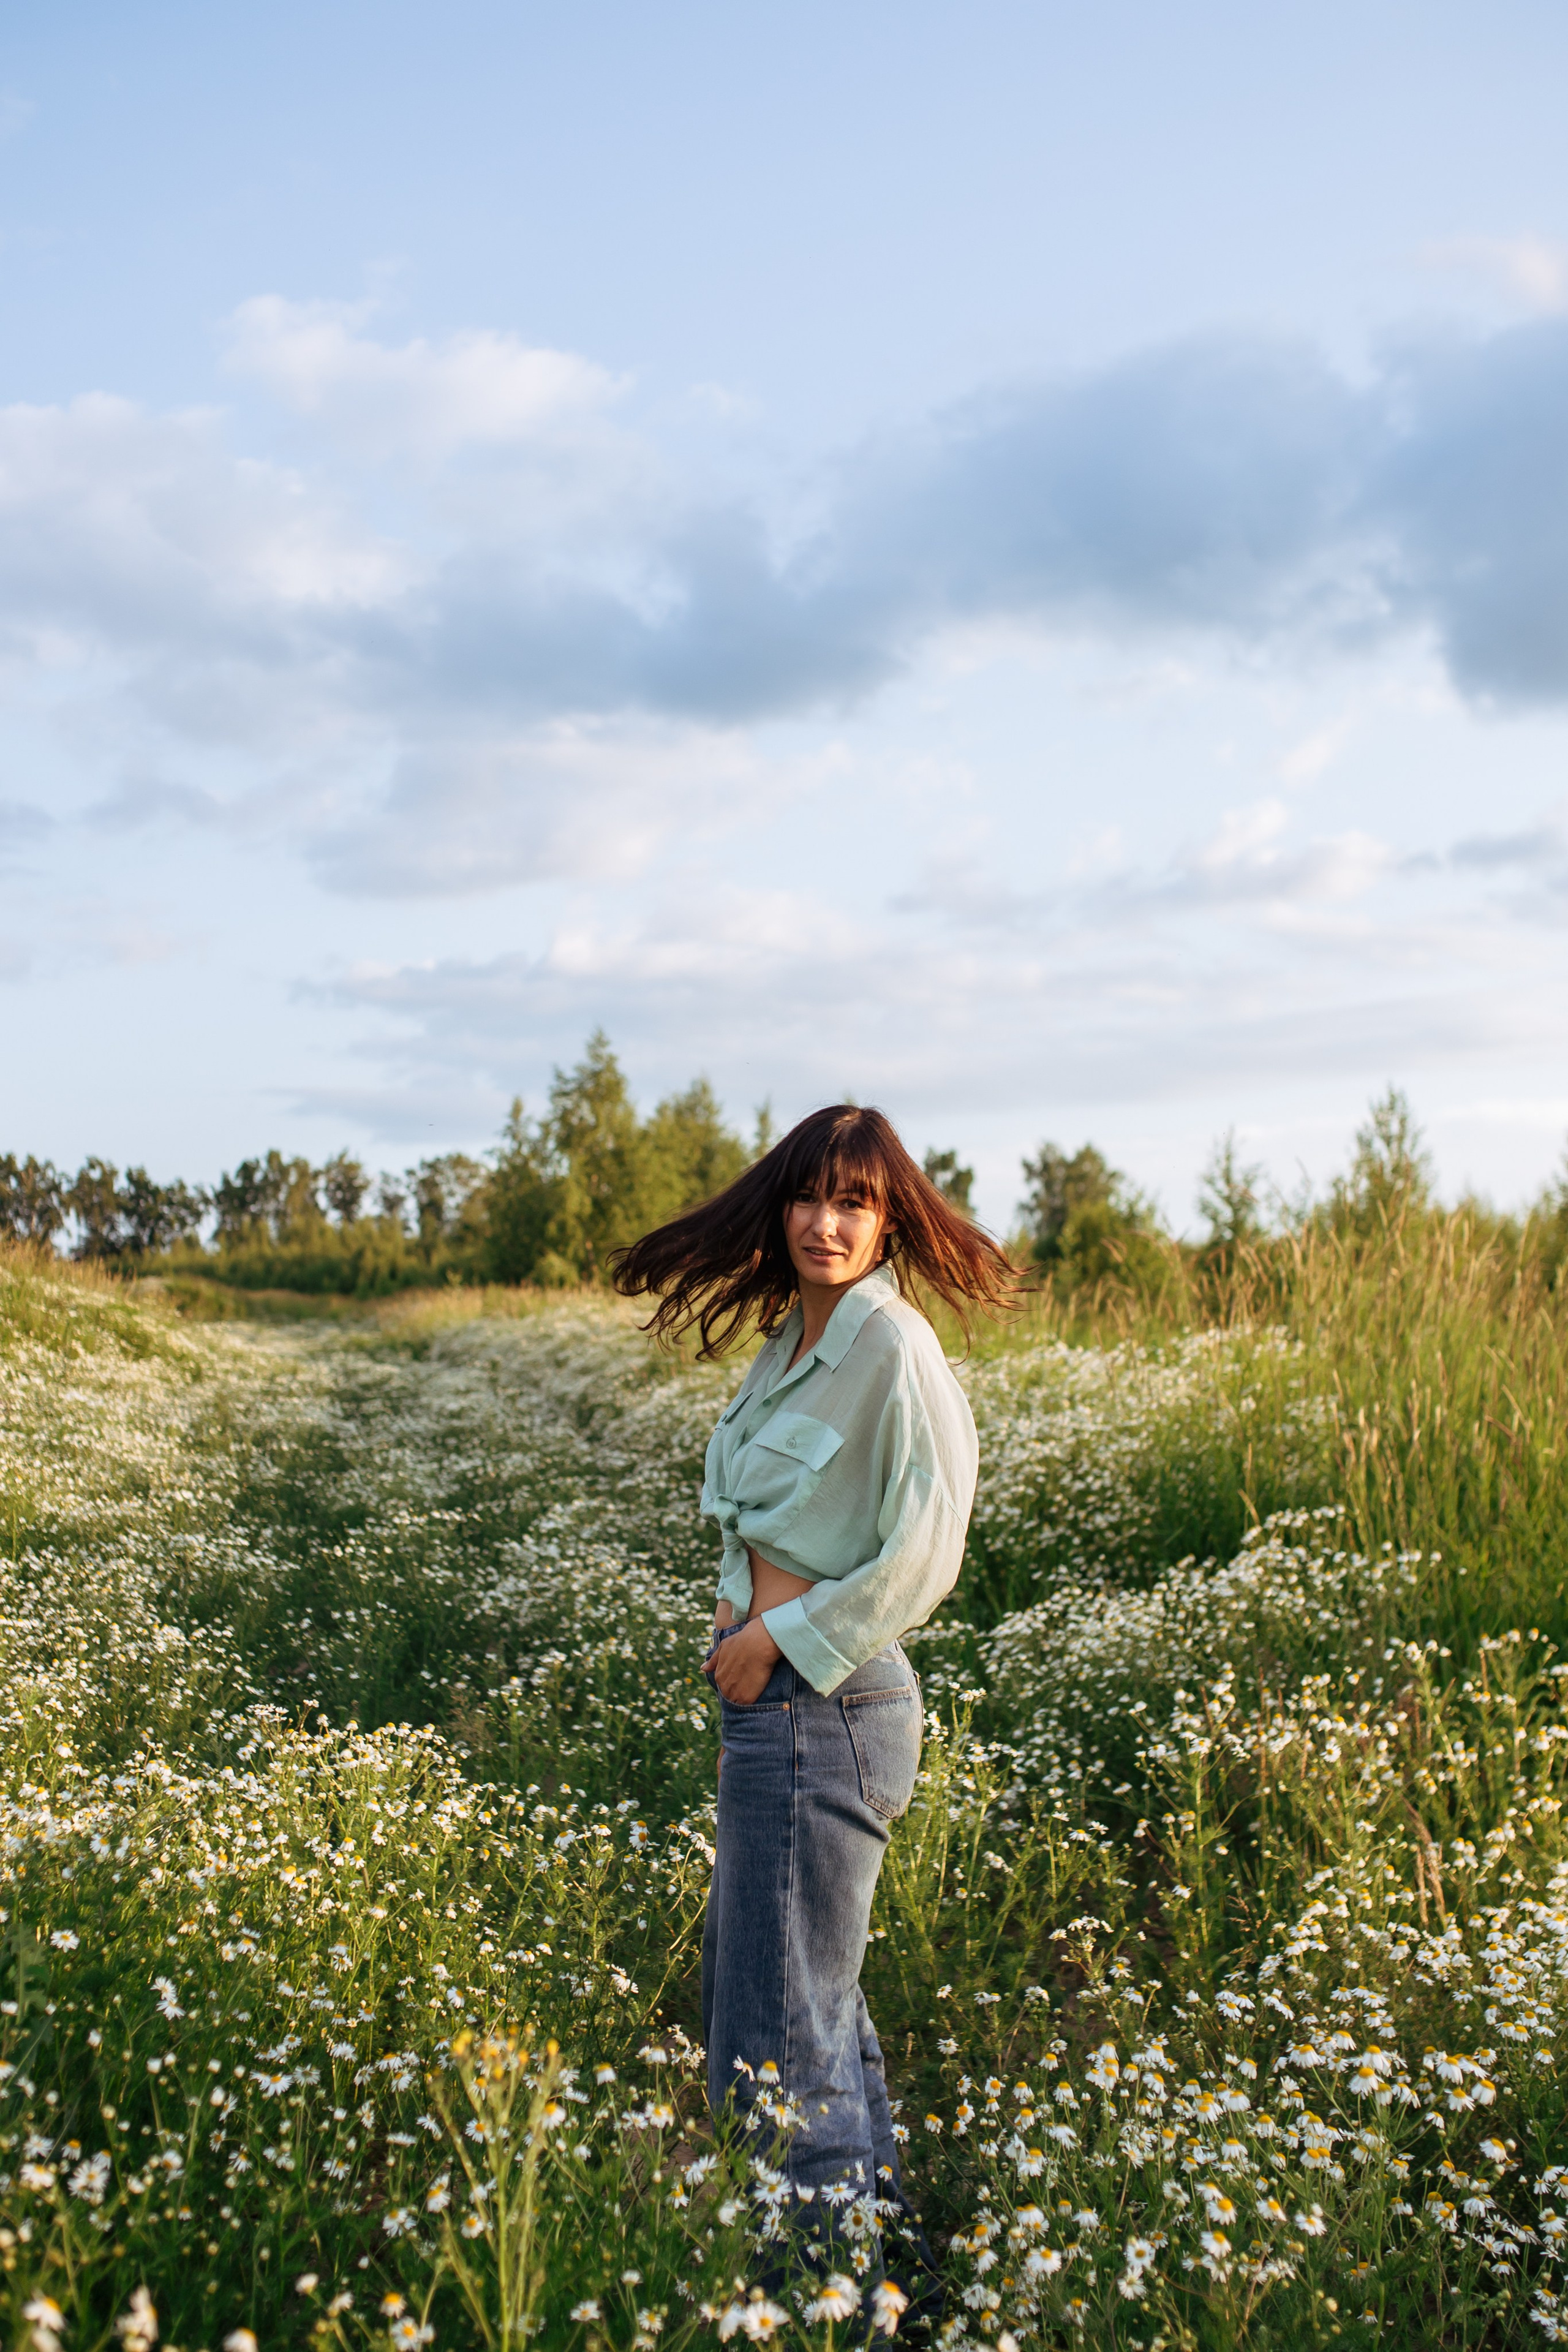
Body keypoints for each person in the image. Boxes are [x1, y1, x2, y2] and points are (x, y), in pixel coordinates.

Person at [614, 1104, 1013, 2303]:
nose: (824, 1223)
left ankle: (816, 2302)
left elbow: (927, 1545)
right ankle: (881, 2281)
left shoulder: (892, 1346)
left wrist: (781, 1637)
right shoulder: (791, 1340)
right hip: (775, 1706)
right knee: (794, 2006)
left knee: (773, 2035)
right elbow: (772, 1521)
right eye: (806, 1198)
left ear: (888, 1219)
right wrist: (739, 1629)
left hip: (824, 1705)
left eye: (853, 1202)